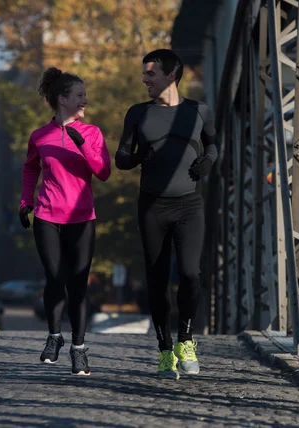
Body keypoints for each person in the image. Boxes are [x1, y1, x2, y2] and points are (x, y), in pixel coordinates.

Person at [115, 49, 218, 380]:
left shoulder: (198, 111)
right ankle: (164, 350)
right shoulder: (138, 113)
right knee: (157, 281)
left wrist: (208, 162)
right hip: (152, 206)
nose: (144, 79)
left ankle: (186, 341)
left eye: (150, 73)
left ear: (171, 75)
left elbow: (214, 144)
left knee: (190, 273)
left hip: (190, 204)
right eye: (144, 73)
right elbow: (121, 157)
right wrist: (137, 156)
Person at [19, 67, 111, 376]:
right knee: (54, 276)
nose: (85, 100)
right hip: (47, 214)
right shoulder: (40, 136)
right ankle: (54, 337)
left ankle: (79, 349)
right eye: (80, 95)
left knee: (78, 284)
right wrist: (26, 201)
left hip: (82, 217)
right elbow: (31, 168)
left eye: (84, 94)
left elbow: (103, 172)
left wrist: (80, 142)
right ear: (63, 99)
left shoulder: (92, 133)